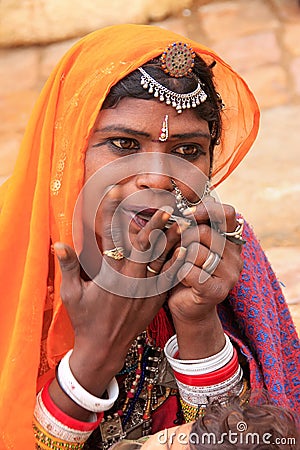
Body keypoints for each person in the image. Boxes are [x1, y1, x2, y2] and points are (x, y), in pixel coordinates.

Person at [0, 24, 299, 450]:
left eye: (187, 151)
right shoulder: (13, 253)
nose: (158, 178)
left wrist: (198, 322)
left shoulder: (216, 246)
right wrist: (97, 355)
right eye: (122, 143)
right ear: (67, 147)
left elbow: (239, 437)